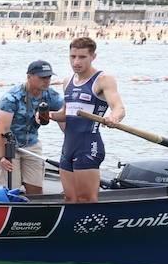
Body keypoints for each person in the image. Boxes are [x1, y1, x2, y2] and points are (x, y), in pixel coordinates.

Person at [52, 37, 125, 203]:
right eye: (73, 57)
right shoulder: (67, 81)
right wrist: (48, 115)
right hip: (67, 148)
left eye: (82, 57)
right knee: (70, 198)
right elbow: (65, 113)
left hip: (88, 147)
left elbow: (119, 108)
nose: (76, 61)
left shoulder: (103, 79)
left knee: (86, 200)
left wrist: (113, 118)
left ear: (93, 57)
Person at [0, 60, 64, 196]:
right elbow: (2, 129)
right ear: (29, 77)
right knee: (10, 190)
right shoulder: (12, 97)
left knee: (36, 189)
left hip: (30, 142)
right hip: (6, 142)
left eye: (49, 77)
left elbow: (65, 117)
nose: (47, 81)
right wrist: (2, 157)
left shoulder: (51, 96)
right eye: (42, 77)